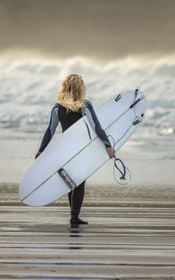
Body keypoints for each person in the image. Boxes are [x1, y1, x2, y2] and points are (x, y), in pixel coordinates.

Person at [35, 74, 115, 226]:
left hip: (65, 151)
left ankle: (74, 215)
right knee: (79, 182)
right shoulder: (84, 106)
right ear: (80, 88)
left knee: (71, 182)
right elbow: (97, 127)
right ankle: (74, 217)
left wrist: (41, 150)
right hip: (80, 150)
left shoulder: (57, 108)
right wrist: (108, 145)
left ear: (65, 87)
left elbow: (50, 131)